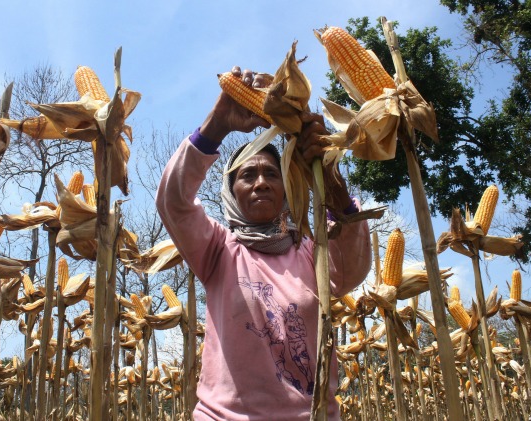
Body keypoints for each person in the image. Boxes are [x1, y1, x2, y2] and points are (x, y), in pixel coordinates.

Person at [156, 66, 372, 420]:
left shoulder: (309, 252)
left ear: (288, 187)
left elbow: (351, 264)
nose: (260, 183)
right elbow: (174, 201)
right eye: (247, 175)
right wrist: (218, 123)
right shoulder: (218, 250)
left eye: (272, 173)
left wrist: (327, 176)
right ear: (231, 192)